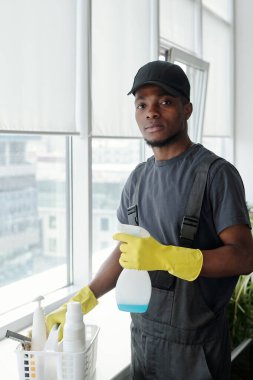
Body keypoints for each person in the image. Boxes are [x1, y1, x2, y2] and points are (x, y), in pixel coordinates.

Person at [46, 60, 253, 379]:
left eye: (165, 101)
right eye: (142, 103)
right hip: (144, 343)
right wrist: (84, 298)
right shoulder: (137, 180)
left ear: (187, 109)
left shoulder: (215, 174)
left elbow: (244, 256)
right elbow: (126, 251)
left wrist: (169, 257)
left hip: (197, 352)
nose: (151, 112)